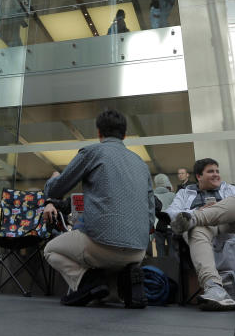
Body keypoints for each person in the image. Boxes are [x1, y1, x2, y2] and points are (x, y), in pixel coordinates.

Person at [42, 109, 154, 308]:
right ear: (125, 135)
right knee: (107, 252)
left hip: (101, 245)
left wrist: (51, 182)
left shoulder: (93, 152)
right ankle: (126, 279)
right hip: (138, 250)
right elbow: (150, 211)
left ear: (99, 133)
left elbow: (58, 188)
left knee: (51, 250)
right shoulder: (141, 164)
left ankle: (88, 282)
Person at [166, 158, 235, 311]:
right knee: (195, 229)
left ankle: (195, 219)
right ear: (199, 176)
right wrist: (198, 210)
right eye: (210, 171)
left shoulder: (228, 189)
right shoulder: (185, 192)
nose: (216, 175)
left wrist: (216, 210)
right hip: (204, 230)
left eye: (217, 171)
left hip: (231, 226)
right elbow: (171, 214)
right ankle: (214, 288)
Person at [152, 173, 175, 256]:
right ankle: (173, 268)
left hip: (157, 227)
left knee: (160, 252)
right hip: (171, 226)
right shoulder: (173, 195)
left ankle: (161, 268)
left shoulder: (152, 196)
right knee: (173, 251)